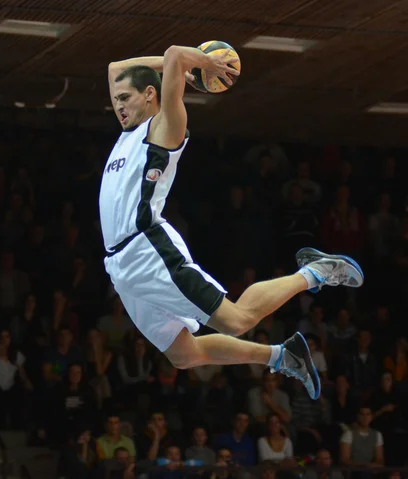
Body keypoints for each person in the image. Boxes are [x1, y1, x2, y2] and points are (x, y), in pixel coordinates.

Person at [99, 44, 364, 400]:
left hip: (146, 250)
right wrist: (180, 67)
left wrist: (201, 62)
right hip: (119, 264)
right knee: (183, 354)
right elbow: (117, 64)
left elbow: (176, 52)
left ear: (151, 94)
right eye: (116, 99)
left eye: (125, 97)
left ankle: (314, 271)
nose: (118, 104)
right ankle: (282, 355)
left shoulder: (164, 128)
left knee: (237, 320)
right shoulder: (127, 132)